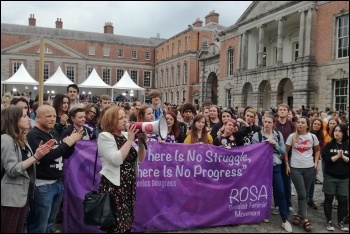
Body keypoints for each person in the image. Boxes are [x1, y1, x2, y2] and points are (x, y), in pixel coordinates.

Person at [26, 105, 82, 233]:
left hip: (57, 183)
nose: (52, 119)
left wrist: (71, 143)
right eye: (48, 116)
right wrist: (67, 143)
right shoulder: (33, 135)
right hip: (42, 185)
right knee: (39, 224)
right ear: (38, 118)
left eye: (53, 116)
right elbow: (46, 157)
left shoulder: (53, 132)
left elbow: (64, 154)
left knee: (49, 222)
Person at [1, 105, 55, 233]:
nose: (28, 119)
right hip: (10, 198)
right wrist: (36, 156)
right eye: (24, 116)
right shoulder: (6, 139)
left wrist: (38, 154)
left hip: (21, 196)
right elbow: (13, 169)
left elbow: (27, 163)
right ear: (14, 119)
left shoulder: (20, 138)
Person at [97, 106, 147, 233]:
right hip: (114, 186)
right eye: (120, 118)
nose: (125, 120)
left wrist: (141, 143)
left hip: (128, 184)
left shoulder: (125, 135)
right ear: (110, 121)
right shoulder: (105, 136)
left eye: (125, 116)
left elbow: (140, 158)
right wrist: (130, 139)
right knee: (116, 224)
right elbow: (116, 159)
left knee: (127, 221)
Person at [251, 114, 292, 233]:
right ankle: (262, 213)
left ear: (273, 123)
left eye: (269, 122)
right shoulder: (257, 135)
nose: (267, 124)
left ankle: (285, 220)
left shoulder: (277, 135)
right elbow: (254, 152)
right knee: (262, 191)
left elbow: (284, 151)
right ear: (262, 122)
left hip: (276, 166)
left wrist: (275, 144)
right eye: (265, 122)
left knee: (280, 191)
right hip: (262, 168)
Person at [284, 116, 320, 232]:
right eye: (298, 122)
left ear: (307, 125)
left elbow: (317, 150)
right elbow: (286, 150)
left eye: (302, 123)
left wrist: (316, 163)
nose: (300, 124)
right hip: (295, 168)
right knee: (302, 193)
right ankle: (305, 219)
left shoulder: (312, 137)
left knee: (304, 194)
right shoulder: (292, 136)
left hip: (309, 168)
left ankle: (299, 215)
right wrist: (287, 164)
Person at [322, 124, 349, 232]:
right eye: (335, 131)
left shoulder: (347, 145)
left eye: (339, 131)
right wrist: (337, 156)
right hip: (330, 176)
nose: (336, 133)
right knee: (329, 198)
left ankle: (340, 221)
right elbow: (326, 160)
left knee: (343, 200)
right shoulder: (329, 145)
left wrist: (344, 157)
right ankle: (329, 221)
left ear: (344, 133)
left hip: (344, 178)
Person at [274, 103, 297, 216]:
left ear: (288, 112)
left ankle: (289, 204)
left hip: (289, 156)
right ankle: (278, 204)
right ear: (278, 111)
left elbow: (294, 139)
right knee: (277, 183)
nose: (282, 111)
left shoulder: (292, 125)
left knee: (287, 182)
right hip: (276, 157)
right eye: (280, 109)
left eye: (284, 110)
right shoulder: (274, 125)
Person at [307, 117, 325, 210]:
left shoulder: (321, 136)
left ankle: (310, 199)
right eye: (315, 124)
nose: (317, 126)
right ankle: (305, 198)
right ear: (312, 124)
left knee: (312, 181)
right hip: (306, 159)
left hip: (314, 159)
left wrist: (316, 162)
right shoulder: (308, 134)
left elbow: (320, 149)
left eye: (318, 124)